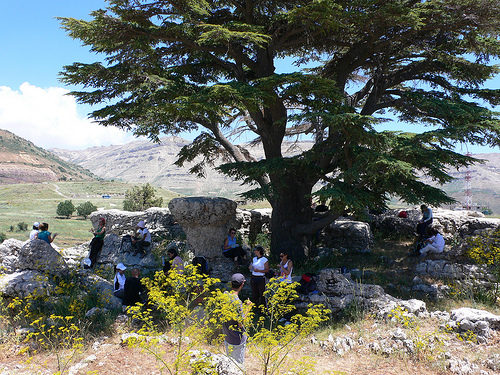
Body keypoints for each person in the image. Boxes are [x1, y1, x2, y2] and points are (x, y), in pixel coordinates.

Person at [223, 273, 248, 366]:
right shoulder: (237, 302)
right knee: (238, 367)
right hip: (237, 339)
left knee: (229, 365)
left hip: (227, 336)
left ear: (231, 283)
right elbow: (240, 323)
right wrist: (248, 309)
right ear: (242, 284)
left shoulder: (225, 295)